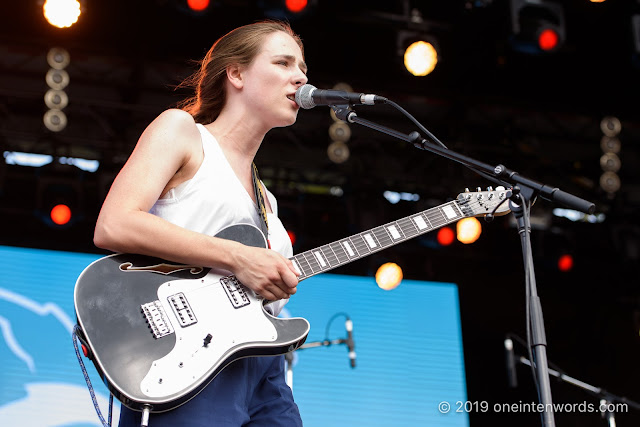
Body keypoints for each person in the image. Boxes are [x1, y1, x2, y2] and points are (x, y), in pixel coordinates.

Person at [93, 20, 308, 427]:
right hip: (188, 354)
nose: (300, 76)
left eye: (303, 68)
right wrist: (238, 257)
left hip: (262, 366)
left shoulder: (267, 200)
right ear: (237, 73)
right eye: (283, 62)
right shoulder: (183, 132)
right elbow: (114, 224)